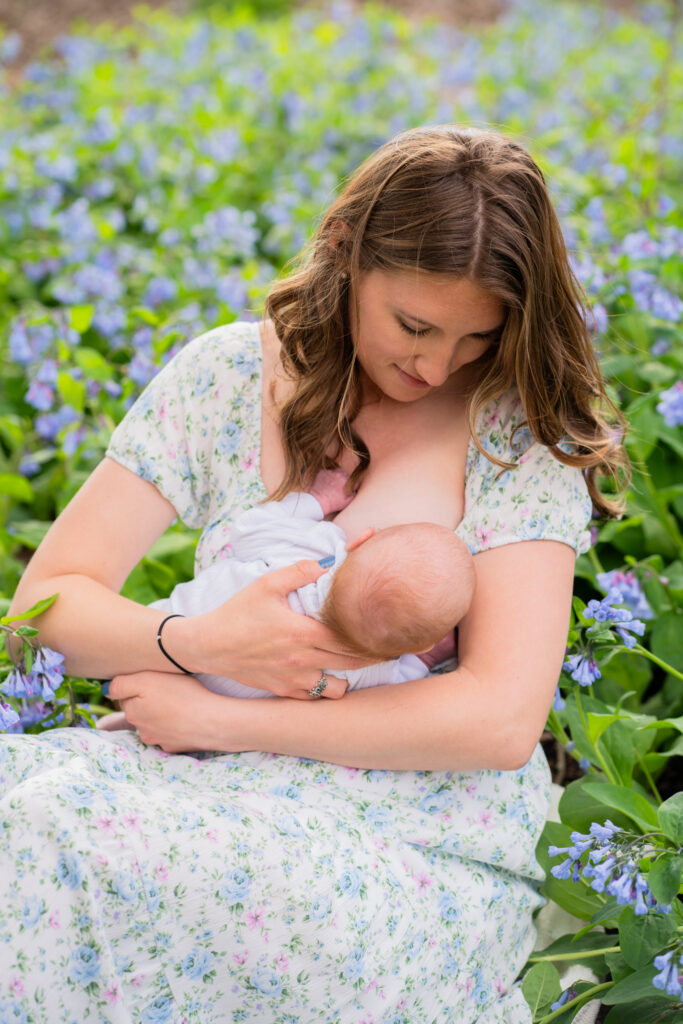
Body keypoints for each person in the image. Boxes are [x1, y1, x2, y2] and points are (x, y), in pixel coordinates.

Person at [1, 125, 626, 1023]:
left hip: (409, 821)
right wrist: (194, 643)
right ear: (345, 254)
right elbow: (44, 608)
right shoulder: (228, 375)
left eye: (475, 338)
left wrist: (222, 714)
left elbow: (497, 718)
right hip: (195, 769)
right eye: (412, 325)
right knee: (24, 815)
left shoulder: (509, 433)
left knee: (106, 849)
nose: (435, 364)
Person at [145, 469, 474, 698]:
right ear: (422, 644)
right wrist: (427, 661)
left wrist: (319, 500)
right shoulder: (370, 673)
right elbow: (404, 681)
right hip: (203, 702)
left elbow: (249, 529)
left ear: (360, 541)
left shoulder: (311, 552)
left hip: (161, 632)